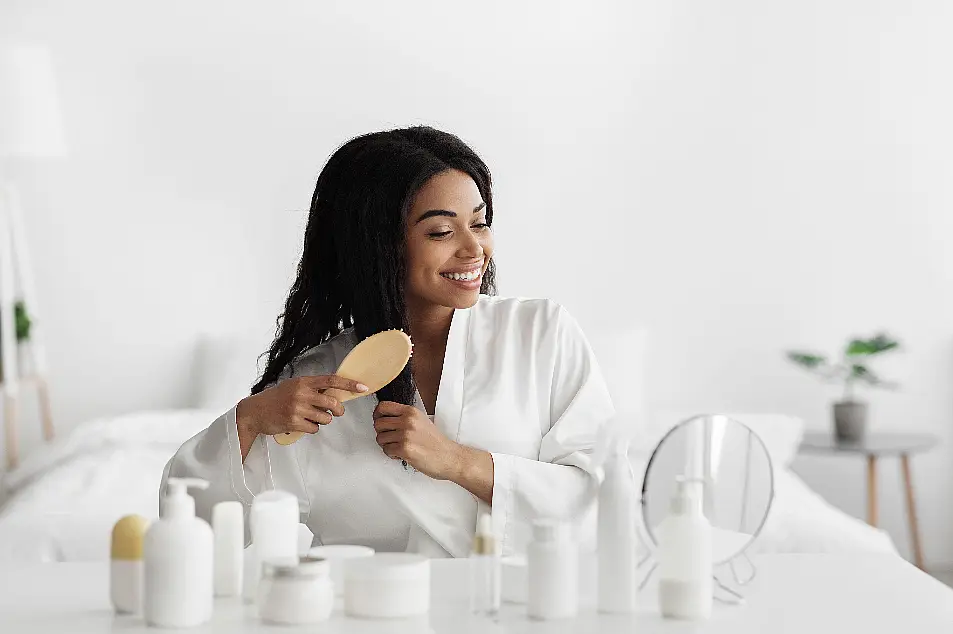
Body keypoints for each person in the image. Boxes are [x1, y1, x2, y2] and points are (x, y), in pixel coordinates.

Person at [161, 126, 615, 557]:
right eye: (441, 232)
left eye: (479, 223)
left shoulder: (541, 334)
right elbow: (191, 528)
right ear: (378, 245)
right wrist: (250, 419)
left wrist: (456, 461)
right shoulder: (316, 386)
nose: (474, 249)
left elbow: (603, 501)